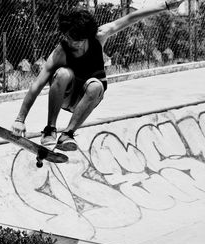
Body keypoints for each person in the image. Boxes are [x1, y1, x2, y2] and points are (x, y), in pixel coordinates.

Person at [11, 0, 184, 151]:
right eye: (70, 39)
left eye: (78, 41)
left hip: (88, 97)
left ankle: (67, 135)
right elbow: (37, 84)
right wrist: (20, 119)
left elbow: (131, 18)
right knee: (63, 74)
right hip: (67, 96)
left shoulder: (99, 36)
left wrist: (165, 5)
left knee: (96, 85)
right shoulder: (61, 52)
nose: (73, 44)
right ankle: (50, 129)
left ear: (87, 37)